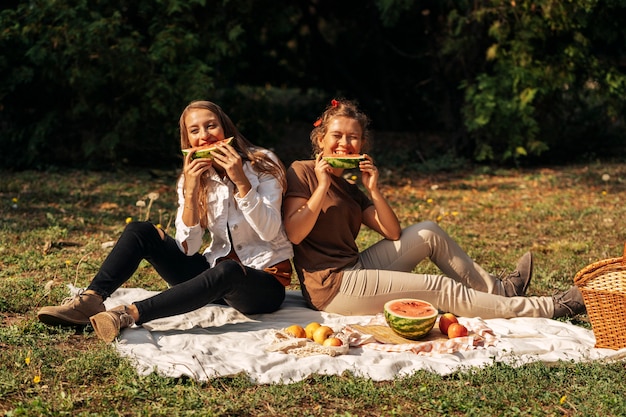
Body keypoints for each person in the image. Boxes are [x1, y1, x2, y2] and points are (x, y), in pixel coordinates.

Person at [282, 98, 585, 319]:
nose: (344, 144)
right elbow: (295, 234)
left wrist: (373, 189)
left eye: (353, 138)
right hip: (332, 287)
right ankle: (551, 307)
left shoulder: (350, 188)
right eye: (337, 136)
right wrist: (321, 186)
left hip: (356, 268)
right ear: (321, 140)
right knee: (439, 287)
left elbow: (391, 231)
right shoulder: (303, 171)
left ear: (362, 145)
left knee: (428, 231)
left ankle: (499, 290)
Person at [38, 100, 294, 342]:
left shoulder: (261, 163)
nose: (204, 135)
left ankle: (128, 314)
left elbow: (270, 231)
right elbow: (189, 249)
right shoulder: (193, 176)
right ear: (187, 139)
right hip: (211, 274)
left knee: (226, 271)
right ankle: (91, 301)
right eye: (194, 130)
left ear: (226, 128)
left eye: (211, 125)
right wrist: (191, 191)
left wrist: (241, 181)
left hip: (262, 284)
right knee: (140, 230)